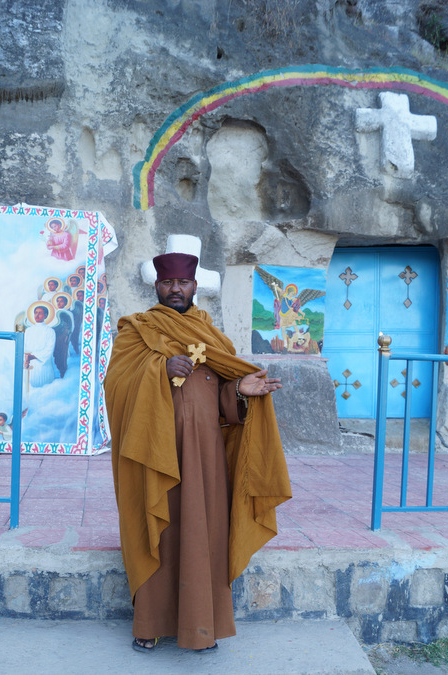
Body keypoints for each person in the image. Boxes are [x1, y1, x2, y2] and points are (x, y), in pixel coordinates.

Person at [105, 252, 291, 653]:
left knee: (202, 534)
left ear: (194, 287)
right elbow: (116, 385)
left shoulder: (212, 335)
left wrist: (241, 391)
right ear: (156, 286)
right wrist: (159, 367)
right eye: (168, 282)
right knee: (155, 531)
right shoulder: (136, 331)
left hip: (204, 457)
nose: (175, 289)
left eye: (183, 283)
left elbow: (220, 394)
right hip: (152, 454)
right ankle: (149, 622)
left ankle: (201, 627)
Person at [24, 304, 56, 388]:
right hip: (29, 365)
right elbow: (24, 346)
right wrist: (27, 357)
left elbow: (49, 351)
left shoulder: (50, 331)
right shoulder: (28, 331)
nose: (37, 315)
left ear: (45, 315)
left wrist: (33, 356)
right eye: (35, 313)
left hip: (44, 367)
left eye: (40, 313)